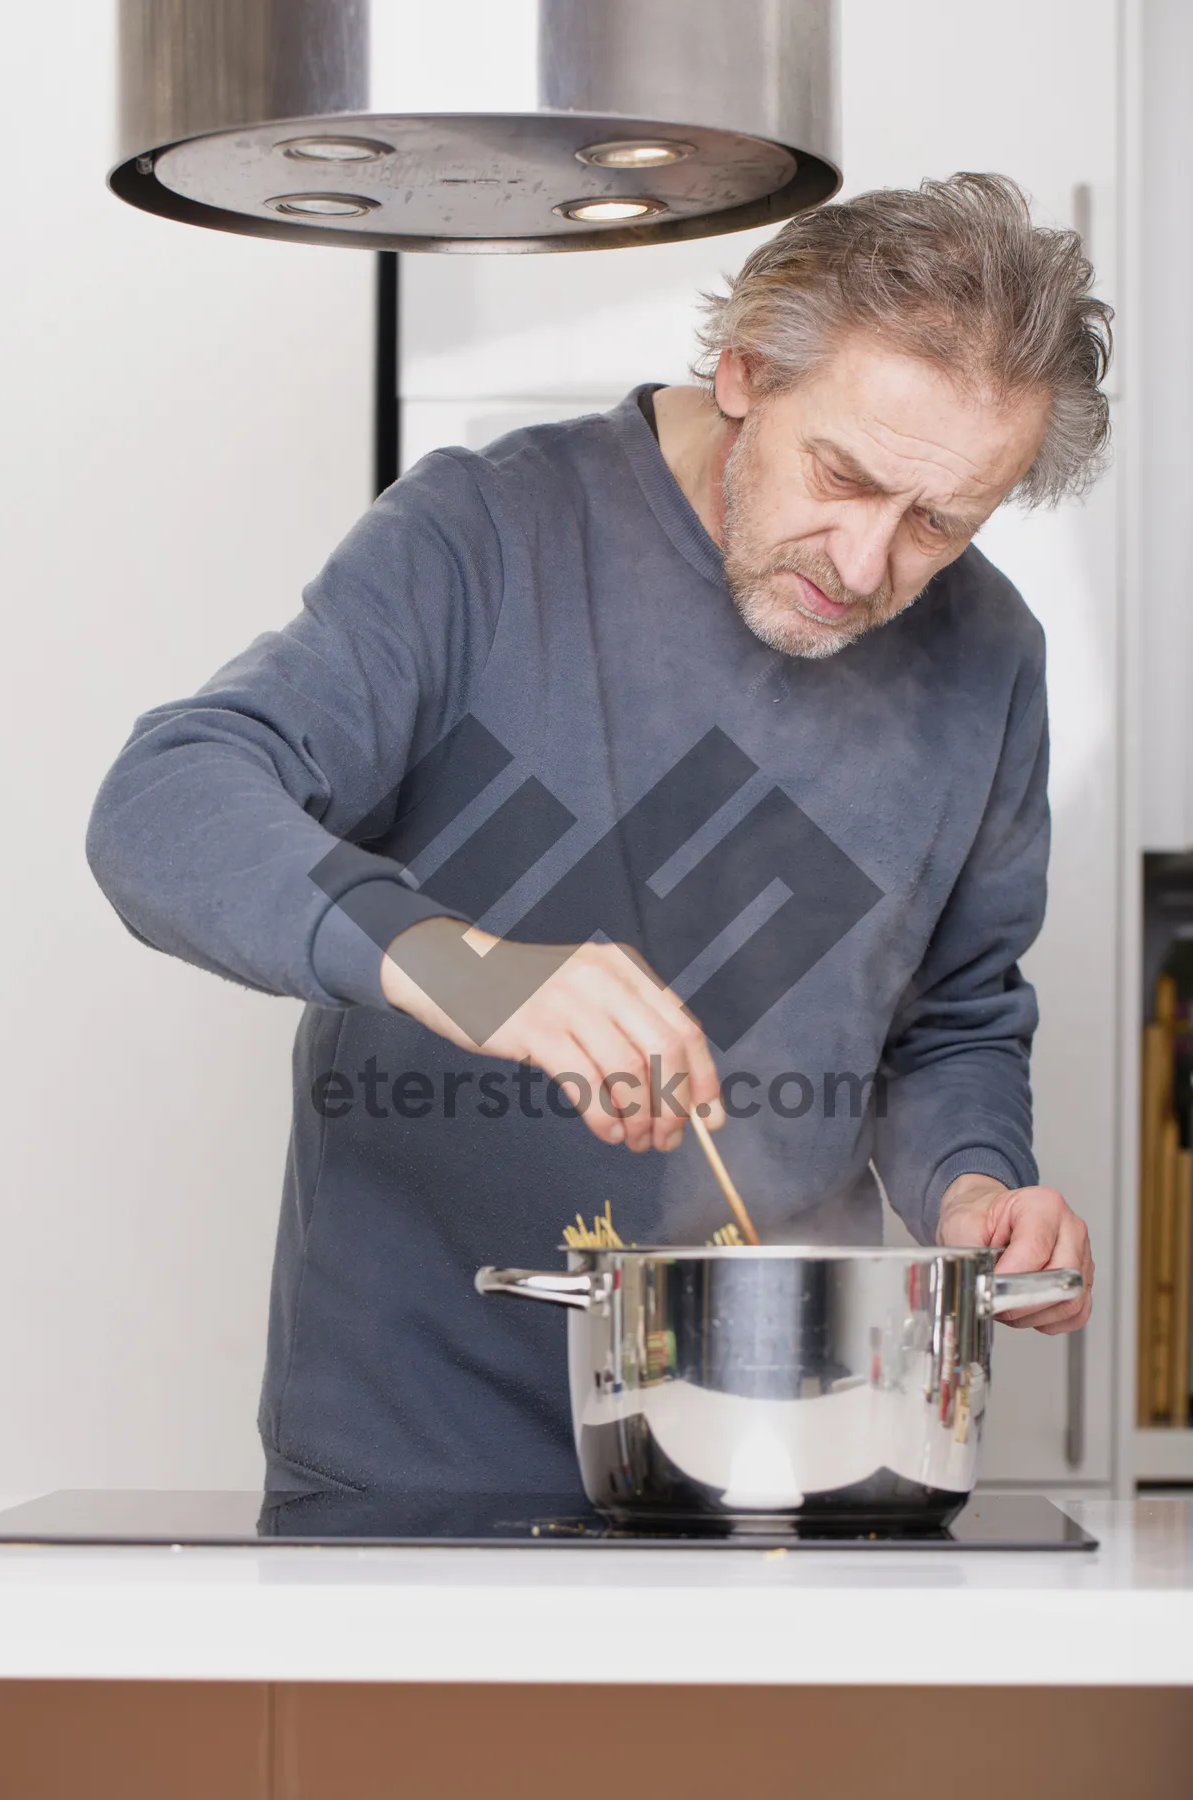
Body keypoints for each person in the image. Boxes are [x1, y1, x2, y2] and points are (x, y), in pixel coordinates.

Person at [87, 172, 1104, 1501]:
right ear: (743, 369)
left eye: (938, 525)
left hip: (787, 1455)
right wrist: (470, 968)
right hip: (413, 1463)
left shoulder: (992, 657)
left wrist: (974, 1191)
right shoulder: (484, 533)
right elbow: (165, 800)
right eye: (841, 477)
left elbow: (954, 1020)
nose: (864, 567)